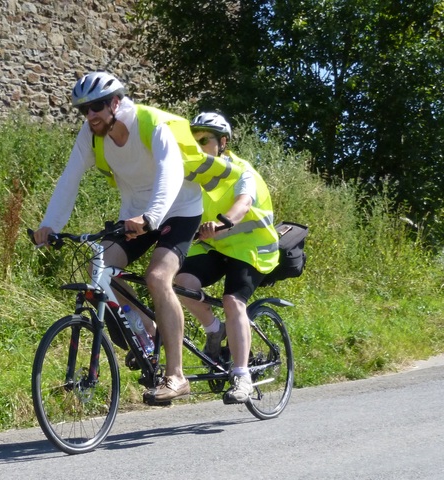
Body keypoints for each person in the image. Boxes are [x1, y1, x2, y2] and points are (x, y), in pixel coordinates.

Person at [34, 72, 229, 403]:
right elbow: (70, 178)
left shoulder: (149, 123)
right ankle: (147, 333)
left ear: (115, 102)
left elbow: (170, 171)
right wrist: (50, 224)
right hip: (135, 215)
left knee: (157, 277)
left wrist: (152, 217)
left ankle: (176, 376)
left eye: (96, 106)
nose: (90, 115)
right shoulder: (91, 135)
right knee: (101, 267)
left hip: (179, 209)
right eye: (84, 110)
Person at [175, 112, 279, 404]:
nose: (197, 145)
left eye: (204, 140)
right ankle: (214, 329)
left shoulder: (241, 171)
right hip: (214, 246)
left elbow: (243, 204)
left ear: (222, 143)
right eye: (193, 139)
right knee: (179, 283)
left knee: (234, 301)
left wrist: (222, 223)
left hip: (251, 247)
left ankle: (242, 375)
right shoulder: (192, 173)